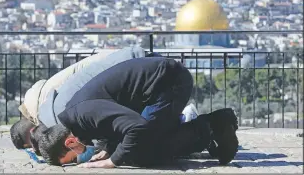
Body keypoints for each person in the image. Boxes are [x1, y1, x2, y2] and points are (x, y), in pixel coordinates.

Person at [36, 57, 238, 168]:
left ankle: (212, 126)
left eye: (73, 158)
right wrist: (108, 148)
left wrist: (112, 161)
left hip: (169, 82)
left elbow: (136, 127)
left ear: (70, 142)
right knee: (132, 149)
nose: (79, 158)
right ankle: (211, 128)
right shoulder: (77, 115)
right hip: (158, 88)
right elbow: (111, 123)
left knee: (141, 152)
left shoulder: (84, 112)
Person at [10, 46, 147, 150]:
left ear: (32, 132)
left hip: (129, 66)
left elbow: (96, 119)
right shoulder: (44, 102)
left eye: (33, 144)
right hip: (118, 60)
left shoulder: (53, 113)